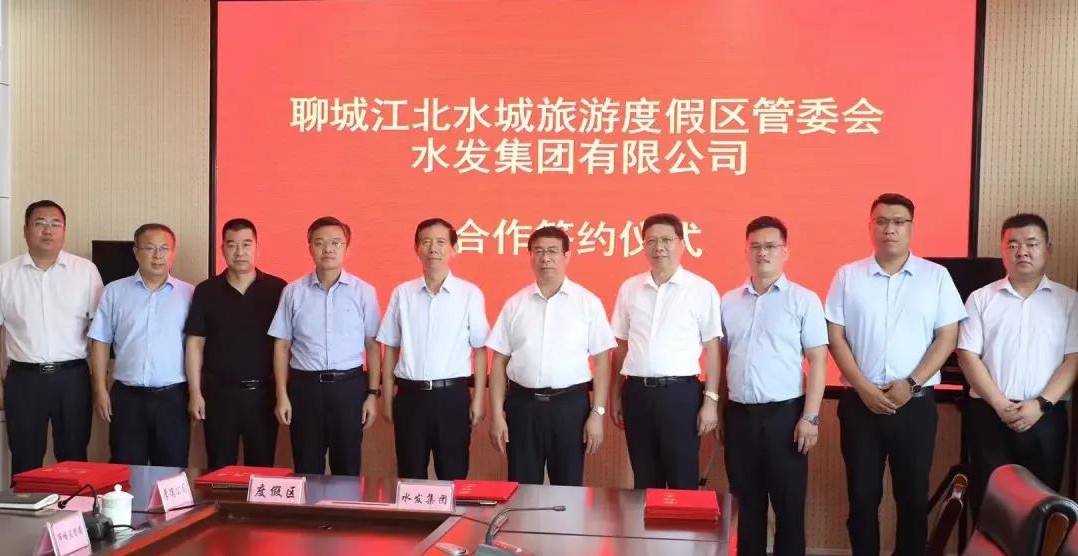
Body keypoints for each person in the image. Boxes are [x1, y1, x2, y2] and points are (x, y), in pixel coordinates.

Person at [825, 193, 965, 556]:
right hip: (860, 405)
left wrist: (912, 383)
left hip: (914, 406)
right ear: (870, 227)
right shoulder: (848, 276)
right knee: (862, 499)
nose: (890, 229)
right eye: (882, 221)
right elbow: (835, 337)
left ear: (911, 228)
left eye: (899, 222)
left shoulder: (935, 277)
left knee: (913, 499)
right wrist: (863, 388)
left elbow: (947, 336)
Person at [721, 216, 828, 556]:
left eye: (770, 246)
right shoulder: (728, 302)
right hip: (740, 416)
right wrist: (721, 412)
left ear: (785, 252)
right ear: (746, 251)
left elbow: (819, 361)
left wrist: (810, 417)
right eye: (755, 246)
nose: (762, 253)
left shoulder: (804, 300)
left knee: (788, 509)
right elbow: (722, 359)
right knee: (746, 509)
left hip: (786, 417)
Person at [957, 213, 1078, 515]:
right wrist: (1000, 404)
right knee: (989, 507)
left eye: (1031, 244)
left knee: (1043, 508)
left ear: (1048, 249)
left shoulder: (1070, 301)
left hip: (1046, 417)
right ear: (1002, 250)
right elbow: (967, 355)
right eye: (1013, 245)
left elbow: (1073, 360)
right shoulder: (980, 299)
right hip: (989, 416)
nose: (1022, 251)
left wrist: (1040, 404)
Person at [486, 226, 615, 486]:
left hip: (569, 407)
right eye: (539, 251)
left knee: (568, 488)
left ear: (567, 256)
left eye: (553, 251)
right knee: (521, 488)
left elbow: (602, 361)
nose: (545, 258)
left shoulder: (587, 303)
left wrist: (598, 413)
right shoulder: (515, 304)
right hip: (523, 406)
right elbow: (499, 361)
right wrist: (497, 415)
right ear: (530, 256)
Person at [610, 213, 722, 490]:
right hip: (637, 393)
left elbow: (713, 349)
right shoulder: (630, 288)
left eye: (666, 240)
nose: (658, 247)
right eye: (651, 241)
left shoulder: (701, 289)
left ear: (681, 244)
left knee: (683, 479)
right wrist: (615, 395)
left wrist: (710, 401)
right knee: (644, 481)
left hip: (680, 396)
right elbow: (621, 347)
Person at [268, 216, 382, 476]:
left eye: (336, 243)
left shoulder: (364, 291)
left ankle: (345, 505)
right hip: (305, 388)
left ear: (346, 248)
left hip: (348, 389)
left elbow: (373, 346)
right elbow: (281, 346)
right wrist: (282, 394)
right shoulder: (293, 292)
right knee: (307, 467)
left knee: (347, 467)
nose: (328, 249)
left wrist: (372, 395)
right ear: (310, 248)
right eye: (320, 243)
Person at [377, 218, 489, 480]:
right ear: (417, 249)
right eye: (426, 242)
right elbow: (390, 347)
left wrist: (478, 399)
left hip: (452, 397)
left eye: (441, 242)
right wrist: (388, 394)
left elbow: (480, 349)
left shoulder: (469, 294)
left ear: (453, 249)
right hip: (410, 397)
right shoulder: (402, 293)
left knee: (453, 475)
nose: (433, 248)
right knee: (410, 475)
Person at [0, 200, 103, 476]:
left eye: (55, 224)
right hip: (23, 380)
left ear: (64, 231)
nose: (48, 230)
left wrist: (99, 383)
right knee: (24, 458)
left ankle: (73, 506)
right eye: (40, 223)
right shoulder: (5, 274)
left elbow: (99, 333)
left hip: (72, 378)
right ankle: (24, 506)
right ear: (25, 230)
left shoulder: (85, 271)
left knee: (74, 458)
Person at [89, 223, 194, 466]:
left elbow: (195, 348)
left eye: (164, 248)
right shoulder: (114, 292)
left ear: (173, 253)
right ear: (136, 252)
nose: (158, 256)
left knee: (171, 471)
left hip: (173, 398)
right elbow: (100, 341)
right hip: (128, 398)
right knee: (126, 470)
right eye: (150, 248)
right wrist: (100, 390)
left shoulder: (189, 294)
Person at [184, 218, 286, 469]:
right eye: (232, 245)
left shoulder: (278, 289)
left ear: (257, 247)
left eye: (246, 244)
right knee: (219, 468)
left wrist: (282, 393)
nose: (239, 252)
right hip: (218, 395)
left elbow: (284, 345)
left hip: (263, 395)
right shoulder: (206, 291)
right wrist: (195, 392)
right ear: (222, 249)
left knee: (262, 469)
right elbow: (195, 344)